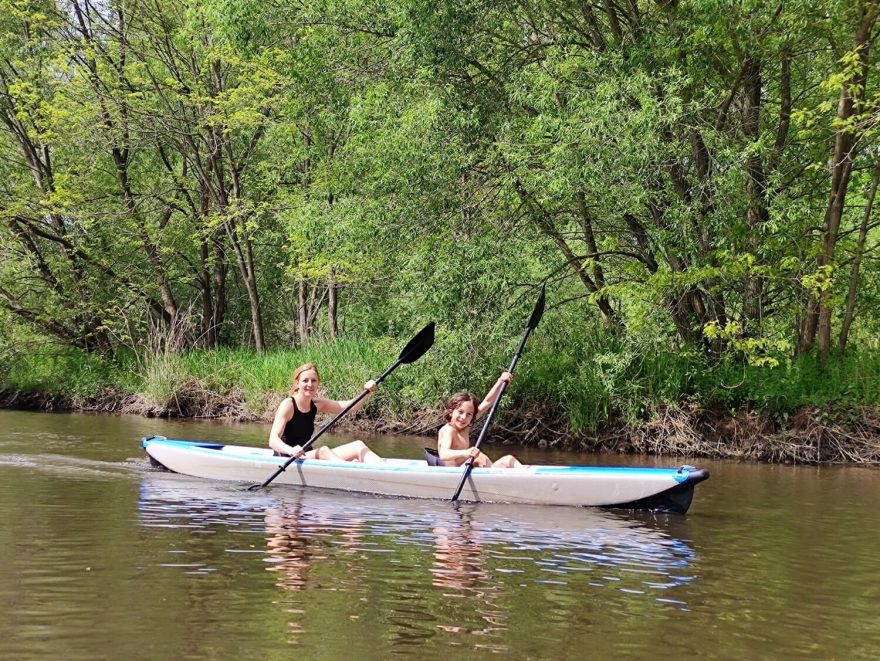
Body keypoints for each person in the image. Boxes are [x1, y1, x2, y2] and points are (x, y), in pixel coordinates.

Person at [269, 363, 384, 463]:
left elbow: (351, 407)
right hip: (288, 457)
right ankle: (351, 470)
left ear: (318, 383)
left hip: (306, 455)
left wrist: (367, 391)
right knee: (323, 451)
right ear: (297, 383)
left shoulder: (318, 404)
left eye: (313, 381)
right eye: (305, 380)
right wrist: (291, 450)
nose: (310, 384)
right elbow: (273, 440)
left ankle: (384, 469)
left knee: (358, 446)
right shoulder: (288, 405)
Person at [436, 371, 523, 468]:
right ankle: (494, 476)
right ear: (451, 412)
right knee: (479, 457)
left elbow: (487, 402)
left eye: (469, 414)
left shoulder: (466, 425)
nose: (464, 417)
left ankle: (526, 477)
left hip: (467, 469)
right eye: (460, 412)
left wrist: (501, 381)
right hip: (454, 473)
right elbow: (443, 454)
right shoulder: (448, 430)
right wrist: (467, 452)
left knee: (509, 459)